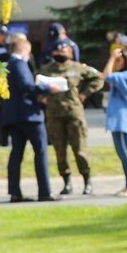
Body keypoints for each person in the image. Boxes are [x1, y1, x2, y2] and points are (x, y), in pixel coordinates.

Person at [39, 38, 104, 196]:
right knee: (60, 152)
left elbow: (98, 78)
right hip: (54, 115)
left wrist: (84, 94)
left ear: (70, 52)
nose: (61, 53)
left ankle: (87, 181)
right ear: (53, 53)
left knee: (80, 150)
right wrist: (42, 98)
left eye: (64, 51)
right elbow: (36, 85)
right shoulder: (46, 69)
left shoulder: (78, 68)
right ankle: (66, 182)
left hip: (74, 114)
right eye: (58, 51)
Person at [1, 33, 59, 202]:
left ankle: (15, 192)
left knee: (16, 154)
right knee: (40, 152)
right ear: (24, 48)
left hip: (15, 117)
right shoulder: (18, 63)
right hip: (28, 116)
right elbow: (26, 86)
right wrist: (47, 88)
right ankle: (44, 191)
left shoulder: (8, 64)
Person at [101, 46, 127, 196]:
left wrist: (111, 57)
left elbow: (105, 75)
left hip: (121, 119)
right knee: (125, 153)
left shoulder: (124, 76)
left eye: (119, 61)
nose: (116, 63)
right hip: (124, 118)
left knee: (125, 153)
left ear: (126, 61)